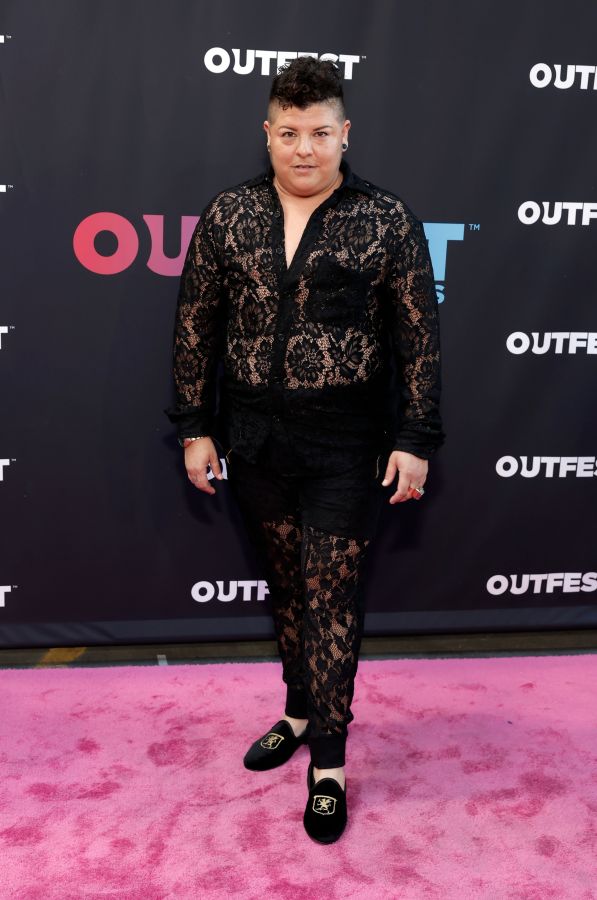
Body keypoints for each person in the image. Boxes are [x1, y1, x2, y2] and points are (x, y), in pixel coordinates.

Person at [164, 56, 445, 843]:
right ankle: (296, 709)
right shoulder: (229, 215)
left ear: (343, 134)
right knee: (286, 591)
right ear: (267, 133)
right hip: (251, 439)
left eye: (320, 133)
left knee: (328, 600)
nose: (303, 149)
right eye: (288, 133)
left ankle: (328, 761)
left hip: (345, 446)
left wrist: (415, 437)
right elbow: (196, 326)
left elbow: (417, 339)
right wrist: (193, 426)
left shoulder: (387, 219)